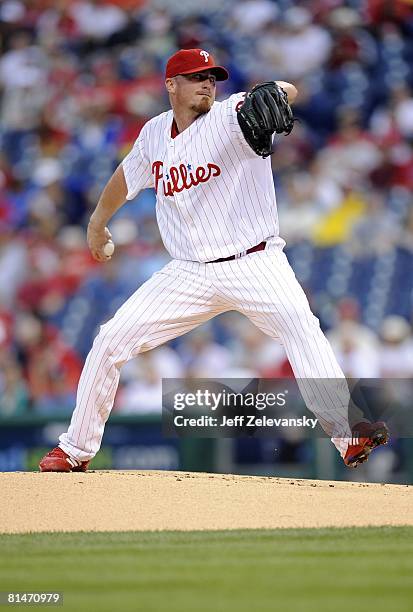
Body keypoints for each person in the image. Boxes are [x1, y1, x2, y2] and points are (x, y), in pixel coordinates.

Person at [39, 49, 388, 473]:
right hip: (187, 272)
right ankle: (74, 449)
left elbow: (284, 90)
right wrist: (97, 222)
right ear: (171, 84)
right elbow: (125, 179)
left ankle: (348, 433)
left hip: (254, 261)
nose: (208, 83)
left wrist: (280, 91)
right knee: (110, 340)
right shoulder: (153, 135)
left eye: (212, 77)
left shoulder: (229, 116)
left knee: (301, 325)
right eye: (196, 76)